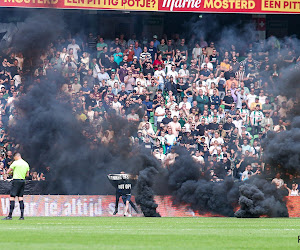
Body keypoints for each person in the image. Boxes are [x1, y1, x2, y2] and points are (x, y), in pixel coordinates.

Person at [3, 152, 29, 220]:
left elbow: (8, 172)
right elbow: (27, 175)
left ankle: (10, 216)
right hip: (23, 181)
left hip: (16, 181)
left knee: (12, 197)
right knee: (20, 198)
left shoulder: (15, 163)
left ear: (16, 157)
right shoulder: (26, 164)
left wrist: (7, 175)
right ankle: (22, 216)